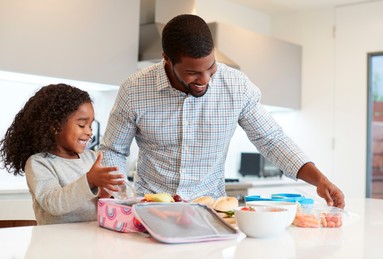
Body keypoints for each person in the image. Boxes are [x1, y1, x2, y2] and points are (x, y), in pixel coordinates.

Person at [100, 14, 345, 208]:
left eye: (211, 67)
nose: (205, 79)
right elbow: (113, 150)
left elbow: (272, 140)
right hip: (150, 208)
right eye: (193, 73)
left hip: (211, 211)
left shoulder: (236, 86)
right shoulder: (134, 89)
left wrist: (320, 180)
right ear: (167, 59)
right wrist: (120, 195)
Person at [0, 84, 125, 225]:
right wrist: (89, 180)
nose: (89, 132)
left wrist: (105, 197)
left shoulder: (92, 158)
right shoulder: (40, 163)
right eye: (82, 125)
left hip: (91, 239)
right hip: (55, 242)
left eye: (90, 126)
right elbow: (53, 204)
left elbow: (100, 209)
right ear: (55, 126)